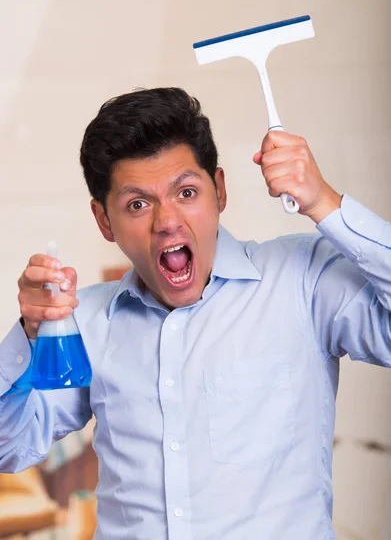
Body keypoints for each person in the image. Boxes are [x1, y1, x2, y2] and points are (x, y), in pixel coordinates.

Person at [0, 87, 390, 540]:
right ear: (104, 221)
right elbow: (9, 448)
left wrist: (324, 202)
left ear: (219, 190)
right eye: (137, 204)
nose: (167, 221)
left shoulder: (302, 281)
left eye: (186, 191)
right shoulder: (84, 322)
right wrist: (27, 337)